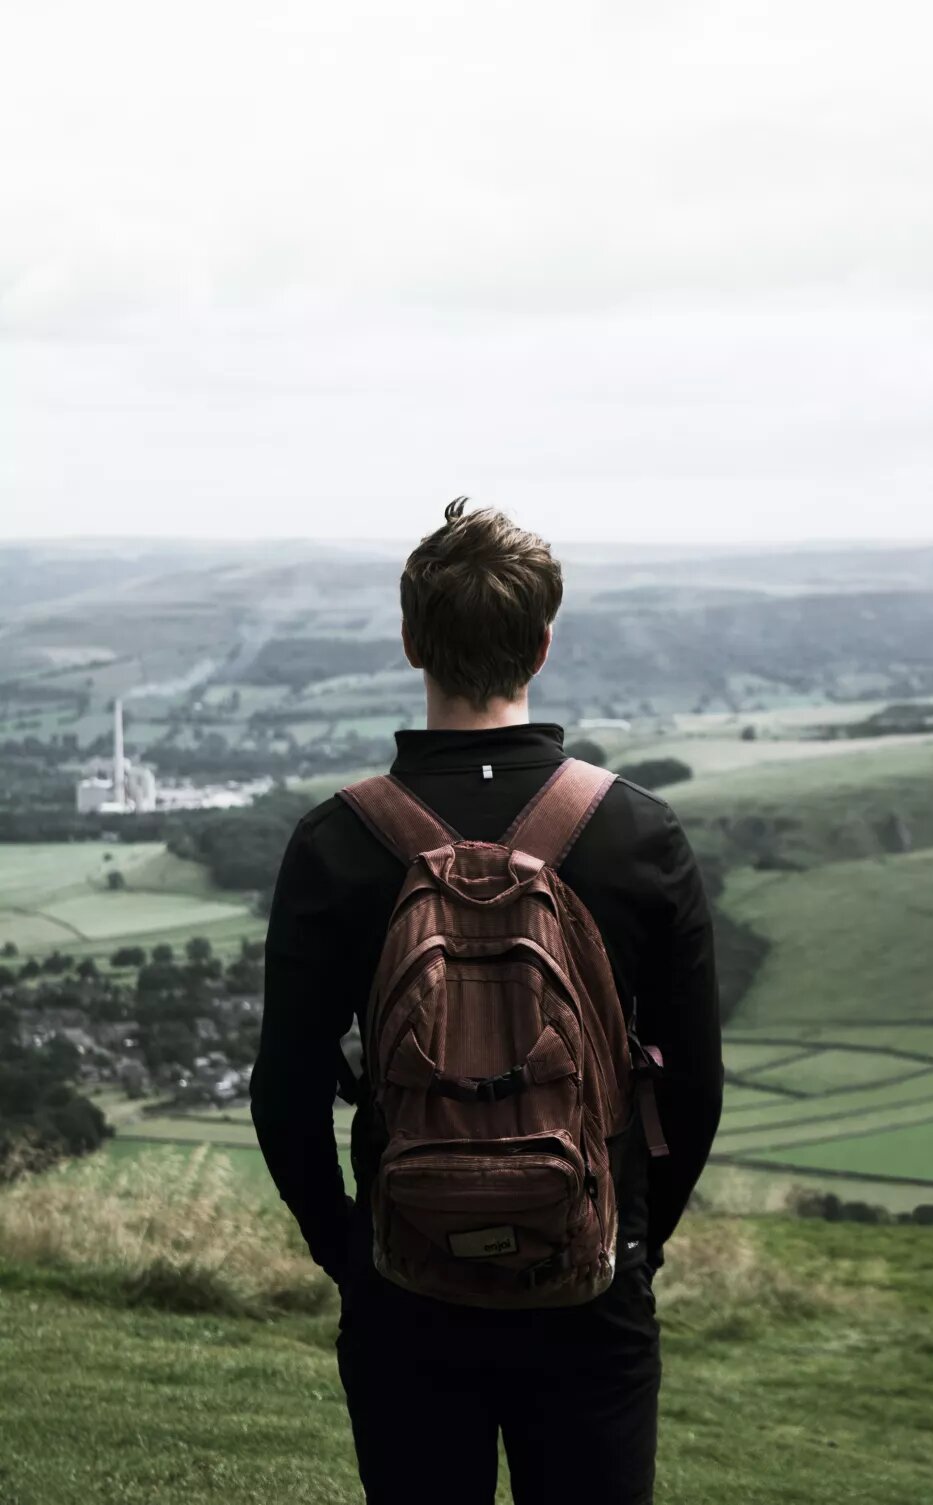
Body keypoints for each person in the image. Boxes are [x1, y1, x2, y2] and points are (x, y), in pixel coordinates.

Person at [250, 499, 723, 1505]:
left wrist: (353, 1252)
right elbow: (694, 1090)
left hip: (405, 1275)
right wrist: (631, 1239)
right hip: (590, 1276)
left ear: (410, 638)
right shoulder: (637, 833)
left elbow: (284, 1093)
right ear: (543, 642)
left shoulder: (335, 843)